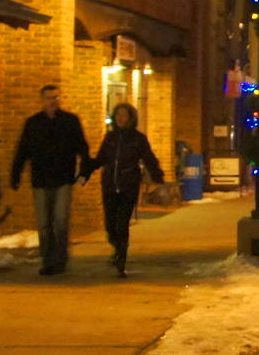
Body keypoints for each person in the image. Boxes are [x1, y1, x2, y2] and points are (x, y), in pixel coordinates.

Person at [11, 85, 90, 276]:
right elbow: (23, 150)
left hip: (63, 178)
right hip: (40, 179)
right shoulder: (33, 123)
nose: (52, 101)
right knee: (44, 223)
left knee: (60, 221)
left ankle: (60, 259)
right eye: (48, 98)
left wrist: (84, 171)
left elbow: (82, 147)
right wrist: (16, 173)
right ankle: (48, 261)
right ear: (42, 100)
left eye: (55, 97)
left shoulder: (70, 121)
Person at [81, 103, 164, 277]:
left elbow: (148, 158)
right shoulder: (110, 137)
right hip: (110, 185)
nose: (120, 118)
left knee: (122, 224)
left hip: (128, 186)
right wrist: (86, 170)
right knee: (110, 226)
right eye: (117, 114)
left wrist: (158, 176)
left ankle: (121, 260)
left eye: (123, 115)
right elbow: (101, 158)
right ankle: (117, 247)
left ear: (130, 118)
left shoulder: (138, 139)